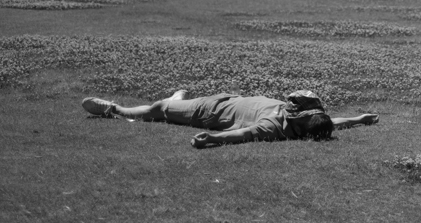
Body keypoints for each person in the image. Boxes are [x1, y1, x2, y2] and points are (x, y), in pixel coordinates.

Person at [81, 89, 379, 149]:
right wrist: (359, 118)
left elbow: (241, 136)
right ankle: (178, 99)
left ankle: (114, 110)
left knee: (158, 108)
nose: (298, 107)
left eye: (305, 112)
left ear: (301, 125)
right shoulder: (308, 123)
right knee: (173, 102)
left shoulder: (274, 128)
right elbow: (333, 123)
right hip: (229, 98)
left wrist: (212, 139)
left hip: (211, 112)